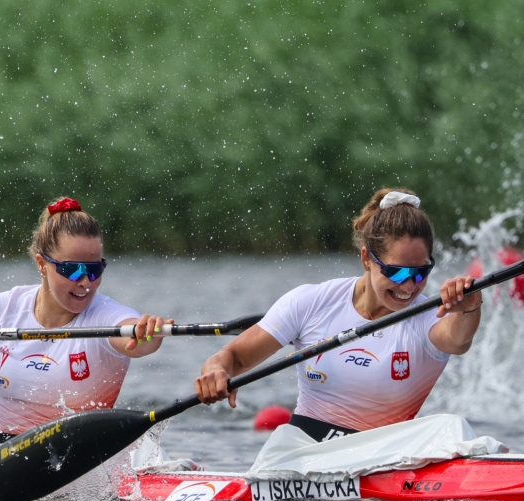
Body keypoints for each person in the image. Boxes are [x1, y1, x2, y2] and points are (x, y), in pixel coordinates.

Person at [194, 188, 482, 442]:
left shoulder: (428, 316)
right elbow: (234, 358)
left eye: (421, 272)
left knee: (452, 426)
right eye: (396, 271)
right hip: (306, 448)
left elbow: (457, 340)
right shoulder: (311, 302)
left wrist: (468, 307)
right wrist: (215, 372)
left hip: (386, 456)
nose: (409, 286)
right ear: (367, 259)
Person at [0, 197, 170, 448]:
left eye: (95, 269)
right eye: (72, 269)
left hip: (82, 452)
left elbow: (137, 343)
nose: (86, 282)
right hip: (0, 452)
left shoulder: (107, 316)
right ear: (41, 263)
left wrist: (149, 334)